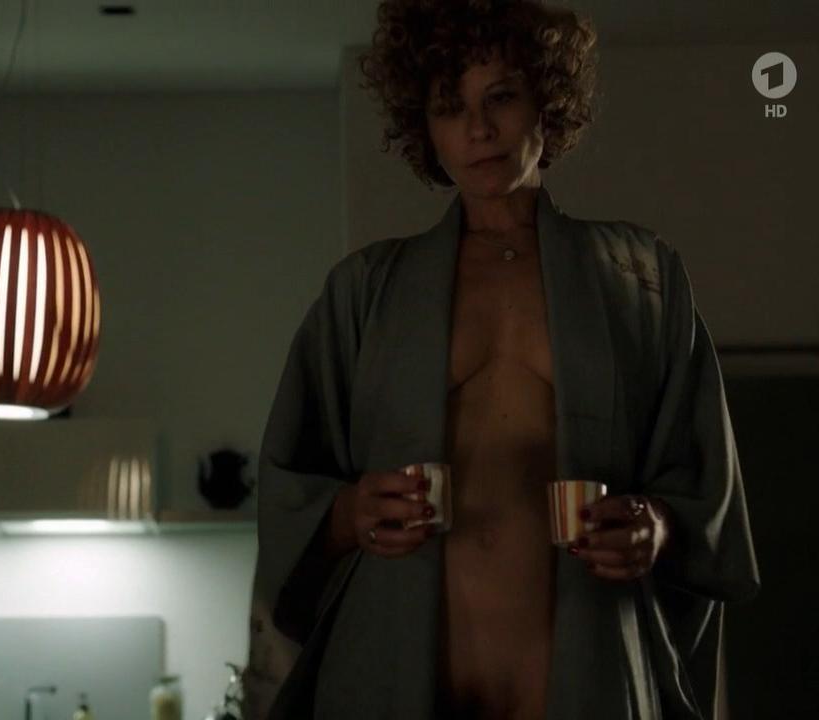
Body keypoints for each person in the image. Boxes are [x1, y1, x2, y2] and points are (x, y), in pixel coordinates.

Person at [242, 1, 761, 719]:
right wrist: (351, 511)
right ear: (424, 127)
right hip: (389, 672)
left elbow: (707, 488)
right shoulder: (365, 291)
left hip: (586, 673)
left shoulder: (641, 278)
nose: (478, 129)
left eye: (501, 97)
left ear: (547, 100)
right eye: (449, 107)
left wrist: (658, 527)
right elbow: (287, 488)